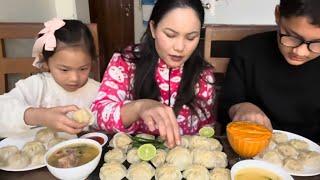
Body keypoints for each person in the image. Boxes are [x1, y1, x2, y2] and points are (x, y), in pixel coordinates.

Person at [91, 0, 216, 147]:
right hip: (134, 161)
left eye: (191, 37)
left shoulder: (203, 74)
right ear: (153, 28)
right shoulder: (126, 63)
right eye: (170, 35)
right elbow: (96, 116)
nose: (180, 47)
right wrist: (139, 108)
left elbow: (207, 129)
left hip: (183, 162)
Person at [219, 0, 320, 142]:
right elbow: (226, 104)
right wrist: (241, 107)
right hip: (252, 146)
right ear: (278, 15)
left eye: (317, 43)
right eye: (292, 37)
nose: (300, 52)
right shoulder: (248, 50)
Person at [0, 18, 100, 137]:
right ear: (46, 62)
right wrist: (41, 116)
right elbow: (3, 110)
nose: (74, 78)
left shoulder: (98, 91)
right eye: (64, 69)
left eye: (83, 69)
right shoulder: (37, 86)